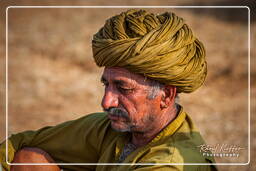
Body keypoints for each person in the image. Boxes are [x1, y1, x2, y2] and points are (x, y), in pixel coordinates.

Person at [0, 9, 218, 171]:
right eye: (107, 84)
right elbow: (20, 143)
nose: (107, 102)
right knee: (29, 159)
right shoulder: (114, 129)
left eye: (123, 88)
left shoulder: (170, 165)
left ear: (166, 95)